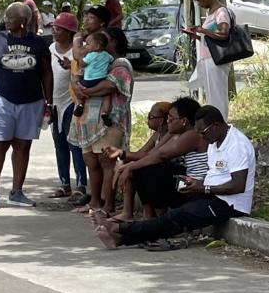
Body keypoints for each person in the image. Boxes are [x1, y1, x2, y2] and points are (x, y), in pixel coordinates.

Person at [93, 106, 254, 249]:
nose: (201, 137)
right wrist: (197, 183)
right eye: (198, 132)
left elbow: (238, 186)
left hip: (230, 203)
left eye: (203, 132)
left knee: (177, 217)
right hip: (211, 194)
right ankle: (120, 239)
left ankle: (118, 229)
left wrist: (203, 188)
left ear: (217, 126)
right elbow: (215, 176)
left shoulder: (237, 145)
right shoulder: (214, 141)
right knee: (175, 215)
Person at [0, 2, 53, 210]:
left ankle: (17, 192)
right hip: (2, 99)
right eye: (6, 17)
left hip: (31, 100)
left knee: (23, 145)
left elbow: (46, 73)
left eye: (10, 17)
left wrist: (49, 102)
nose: (6, 20)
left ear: (23, 22)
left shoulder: (38, 44)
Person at [107, 97, 207, 225]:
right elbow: (152, 154)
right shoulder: (175, 133)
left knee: (149, 171)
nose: (168, 120)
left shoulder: (192, 135)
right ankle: (152, 217)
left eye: (171, 118)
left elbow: (161, 155)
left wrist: (130, 167)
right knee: (143, 169)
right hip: (186, 181)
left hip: (196, 188)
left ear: (184, 121)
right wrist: (129, 163)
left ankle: (162, 219)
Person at [68, 26, 134, 216]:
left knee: (106, 162)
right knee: (91, 160)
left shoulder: (121, 64)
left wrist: (84, 90)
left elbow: (110, 85)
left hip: (110, 121)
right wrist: (78, 85)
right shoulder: (93, 59)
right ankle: (95, 202)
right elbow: (75, 75)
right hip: (88, 119)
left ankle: (107, 205)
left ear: (112, 41)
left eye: (101, 39)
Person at [46, 11, 87, 200]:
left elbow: (84, 70)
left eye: (59, 29)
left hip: (73, 101)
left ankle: (81, 184)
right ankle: (64, 182)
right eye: (54, 28)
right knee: (59, 143)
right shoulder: (50, 49)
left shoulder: (77, 50)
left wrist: (71, 65)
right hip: (55, 103)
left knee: (75, 144)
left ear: (69, 32)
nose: (54, 31)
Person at [183, 0, 231, 118]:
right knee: (211, 97)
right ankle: (215, 125)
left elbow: (223, 34)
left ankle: (221, 124)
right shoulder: (211, 13)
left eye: (199, 0)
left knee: (218, 97)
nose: (199, 4)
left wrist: (203, 30)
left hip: (216, 61)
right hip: (208, 59)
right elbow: (210, 40)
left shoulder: (220, 12)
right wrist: (197, 36)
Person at [73, 30, 114, 126]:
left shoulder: (90, 55)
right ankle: (105, 113)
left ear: (97, 46)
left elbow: (82, 64)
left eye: (87, 44)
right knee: (107, 97)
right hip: (102, 79)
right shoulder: (107, 55)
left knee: (79, 88)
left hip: (89, 80)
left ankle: (80, 105)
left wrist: (82, 56)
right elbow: (112, 60)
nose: (85, 46)